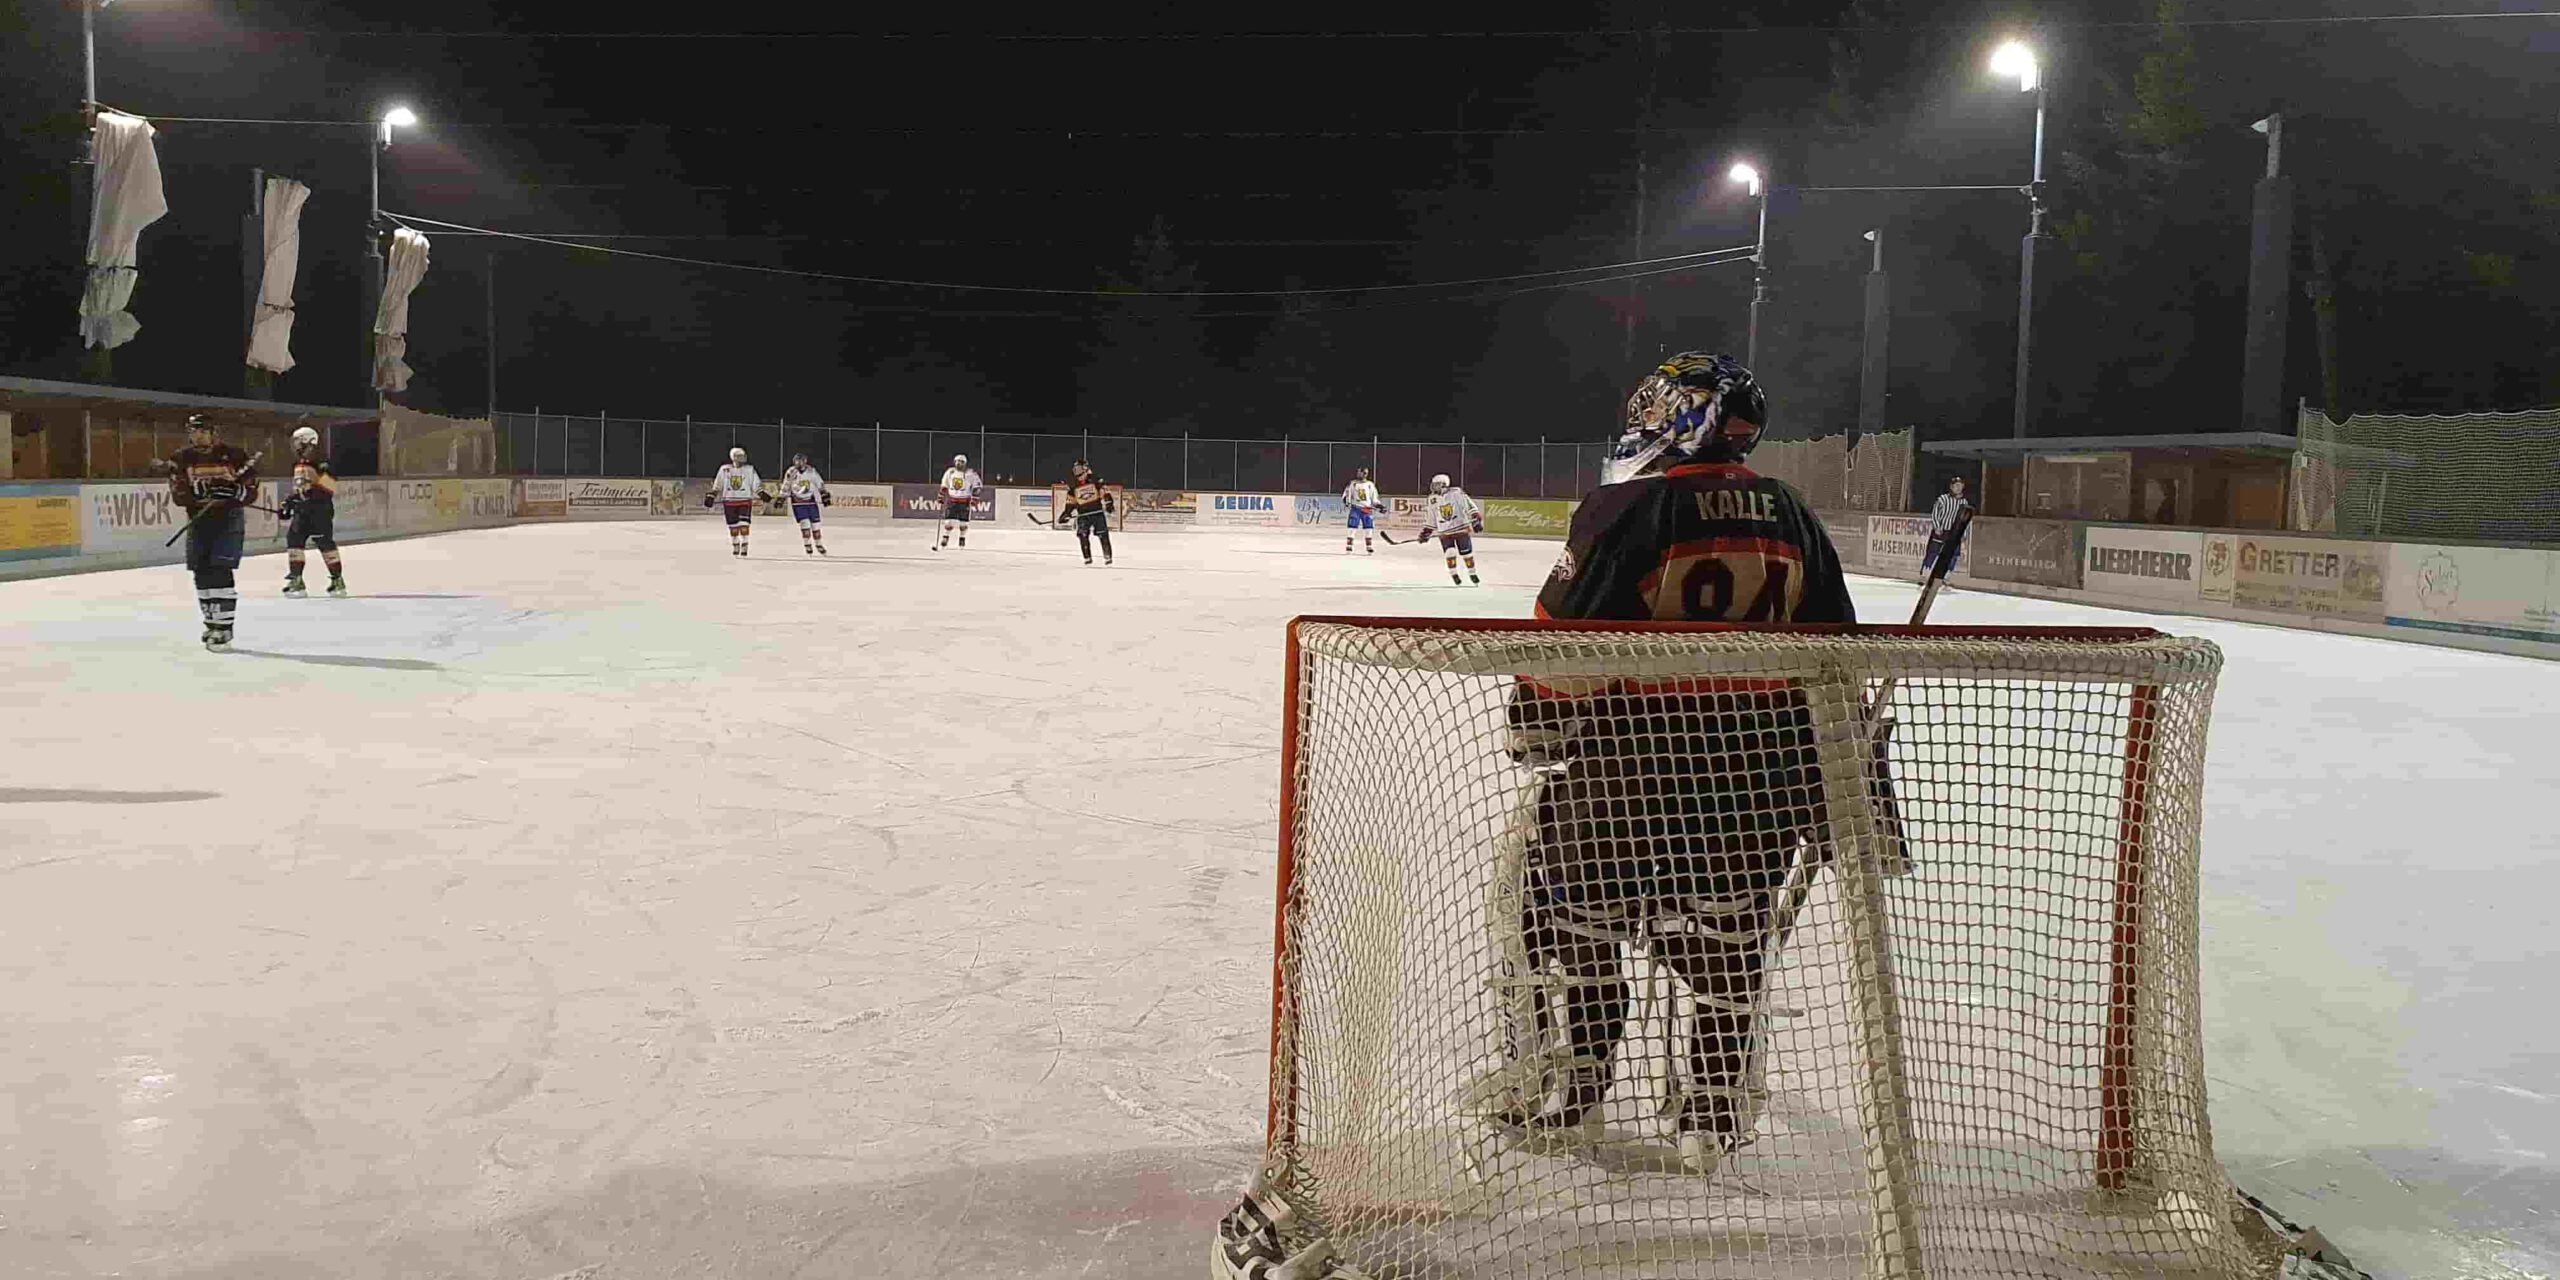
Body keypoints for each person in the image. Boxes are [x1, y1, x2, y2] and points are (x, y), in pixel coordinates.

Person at [1489, 352, 1854, 1177]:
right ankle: (1711, 1115)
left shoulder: (1630, 506)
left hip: (1629, 770)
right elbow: (1837, 655)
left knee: (1565, 920)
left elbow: (1560, 651)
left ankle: (1573, 1089)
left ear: (1681, 419)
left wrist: (1535, 725)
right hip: (1758, 779)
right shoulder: (1792, 511)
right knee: (1730, 945)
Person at [166, 414, 261, 651]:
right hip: (199, 520)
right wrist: (201, 491)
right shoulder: (181, 458)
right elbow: (178, 494)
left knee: (220, 569)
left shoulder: (235, 455)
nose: (197, 436)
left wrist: (235, 491)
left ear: (213, 433)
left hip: (228, 520)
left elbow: (251, 490)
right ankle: (211, 623)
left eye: (202, 431)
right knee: (201, 571)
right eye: (193, 431)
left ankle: (224, 628)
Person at [279, 425, 345, 597]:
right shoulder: (299, 464)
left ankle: (337, 581)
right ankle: (296, 580)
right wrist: (289, 502)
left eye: (297, 442)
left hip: (319, 511)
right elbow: (300, 488)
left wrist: (304, 500)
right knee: (294, 540)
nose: (295, 446)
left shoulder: (323, 463)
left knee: (324, 543)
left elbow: (327, 488)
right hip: (302, 512)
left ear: (308, 442)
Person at [1423, 473, 1485, 585]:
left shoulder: (1456, 492)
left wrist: (1476, 519)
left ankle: (1472, 573)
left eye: (1436, 485)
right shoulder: (1432, 499)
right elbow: (1431, 517)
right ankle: (1454, 574)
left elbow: (1469, 505)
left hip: (1461, 528)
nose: (1434, 487)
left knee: (1467, 554)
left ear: (1444, 484)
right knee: (1449, 553)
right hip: (1444, 532)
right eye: (1433, 485)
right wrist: (1426, 531)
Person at [705, 447, 760, 556]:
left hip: (745, 500)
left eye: (743, 456)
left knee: (744, 524)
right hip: (729, 501)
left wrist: (760, 492)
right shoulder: (724, 469)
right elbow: (718, 484)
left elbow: (756, 483)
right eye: (740, 456)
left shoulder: (749, 469)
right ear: (733, 457)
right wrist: (712, 495)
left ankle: (744, 544)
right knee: (733, 526)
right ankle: (735, 544)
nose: (742, 458)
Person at [1062, 459, 1115, 565]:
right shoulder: (1073, 484)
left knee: (1103, 534)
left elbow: (1105, 492)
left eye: (1079, 469)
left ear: (1085, 469)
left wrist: (1109, 503)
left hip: (1097, 512)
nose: (1077, 473)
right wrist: (1066, 513)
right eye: (1075, 470)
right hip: (1083, 514)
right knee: (1082, 534)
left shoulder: (1095, 480)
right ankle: (1087, 558)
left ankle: (1107, 556)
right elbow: (1071, 501)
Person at [782, 452, 829, 555]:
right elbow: (786, 485)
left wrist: (824, 495)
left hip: (810, 501)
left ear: (805, 462)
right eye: (796, 461)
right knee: (805, 524)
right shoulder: (791, 472)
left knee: (816, 525)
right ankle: (807, 544)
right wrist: (781, 498)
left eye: (800, 461)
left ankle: (818, 544)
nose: (798, 463)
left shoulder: (811, 472)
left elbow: (819, 483)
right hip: (798, 502)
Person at [1925, 477, 1973, 576]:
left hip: (1954, 533)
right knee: (1933, 552)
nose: (1958, 487)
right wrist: (1937, 526)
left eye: (1960, 485)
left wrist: (1963, 533)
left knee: (1953, 555)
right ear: (1951, 487)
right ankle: (1925, 573)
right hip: (1941, 530)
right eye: (1956, 485)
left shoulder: (1964, 502)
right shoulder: (1943, 499)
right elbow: (1935, 513)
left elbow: (1964, 520)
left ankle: (1946, 576)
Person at [936, 453, 977, 550]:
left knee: (963, 523)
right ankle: (945, 538)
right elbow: (944, 485)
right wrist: (941, 496)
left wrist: (974, 500)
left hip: (965, 501)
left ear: (965, 463)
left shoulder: (971, 474)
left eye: (961, 462)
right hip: (952, 500)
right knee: (948, 521)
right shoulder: (950, 472)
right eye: (957, 461)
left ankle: (962, 538)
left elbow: (976, 487)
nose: (959, 463)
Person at [1342, 468, 1382, 554]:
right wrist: (1347, 501)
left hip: (1366, 509)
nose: (1359, 474)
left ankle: (1369, 546)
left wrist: (1379, 505)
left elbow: (1374, 498)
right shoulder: (1353, 483)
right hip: (1355, 508)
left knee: (1368, 527)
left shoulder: (1370, 485)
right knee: (1352, 526)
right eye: (1359, 472)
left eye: (1363, 473)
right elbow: (1347, 494)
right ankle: (1349, 545)